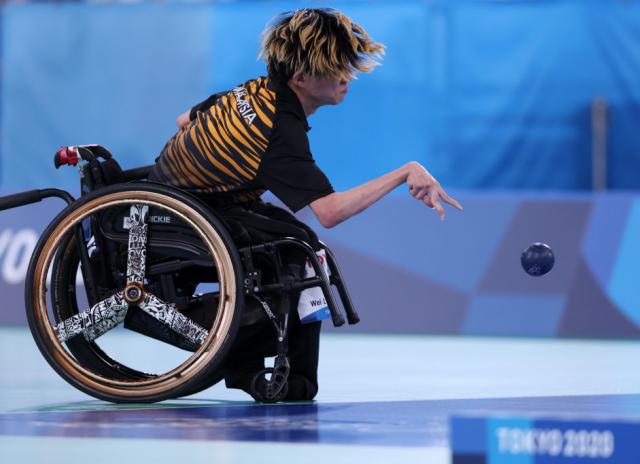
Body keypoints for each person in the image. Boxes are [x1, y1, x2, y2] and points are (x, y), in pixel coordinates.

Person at [149, 8, 462, 401]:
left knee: (294, 236)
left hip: (178, 205)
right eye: (337, 68)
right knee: (300, 251)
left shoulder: (253, 91)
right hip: (183, 224)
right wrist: (404, 173)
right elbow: (331, 213)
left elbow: (183, 121)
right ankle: (278, 377)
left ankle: (266, 369)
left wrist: (222, 165)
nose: (347, 77)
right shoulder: (278, 128)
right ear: (300, 79)